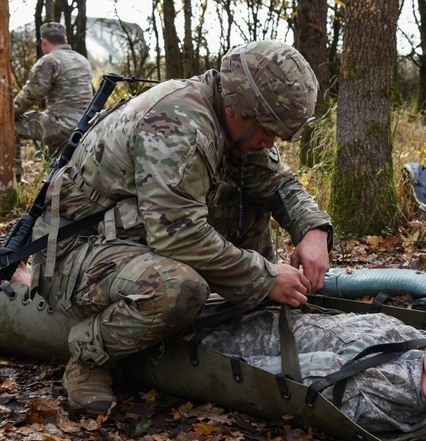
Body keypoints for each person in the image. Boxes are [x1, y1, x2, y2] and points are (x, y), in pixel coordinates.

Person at [29, 39, 333, 414]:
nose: (269, 142)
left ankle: (242, 315)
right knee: (178, 289)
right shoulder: (176, 125)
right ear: (237, 108)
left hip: (136, 238)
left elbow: (276, 184)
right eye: (267, 129)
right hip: (76, 253)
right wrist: (267, 276)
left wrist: (313, 229)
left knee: (251, 195)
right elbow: (181, 235)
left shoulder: (234, 122)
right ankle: (89, 356)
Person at [195, 309, 426, 433]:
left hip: (221, 329)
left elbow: (256, 372)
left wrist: (193, 344)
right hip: (263, 310)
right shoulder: (418, 362)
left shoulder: (360, 389)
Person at [14, 21, 94, 156]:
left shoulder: (49, 61)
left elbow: (29, 97)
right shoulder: (82, 60)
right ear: (65, 40)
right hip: (87, 124)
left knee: (10, 125)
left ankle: (12, 175)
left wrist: (6, 113)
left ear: (43, 41)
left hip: (61, 126)